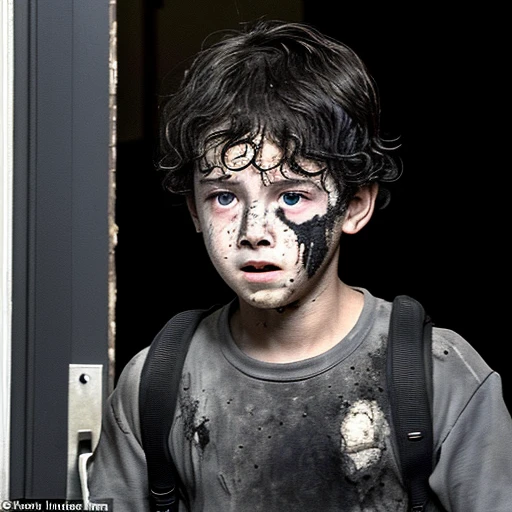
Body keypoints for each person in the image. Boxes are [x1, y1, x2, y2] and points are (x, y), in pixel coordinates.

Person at [87, 19, 512, 511]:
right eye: (224, 196)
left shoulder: (440, 377)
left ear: (354, 206)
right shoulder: (155, 387)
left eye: (292, 195)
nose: (254, 229)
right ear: (194, 211)